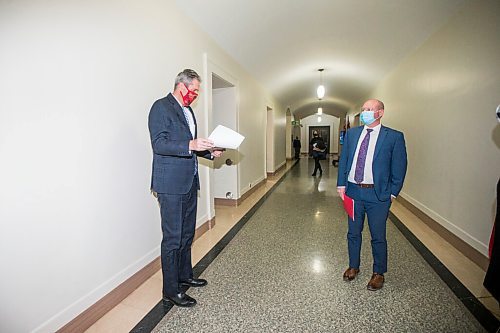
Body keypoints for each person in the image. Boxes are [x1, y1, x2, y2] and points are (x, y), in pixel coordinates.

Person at [148, 69, 223, 307]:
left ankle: (185, 275)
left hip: (189, 181)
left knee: (186, 234)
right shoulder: (161, 107)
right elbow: (159, 143)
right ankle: (170, 290)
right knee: (172, 238)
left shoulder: (188, 111)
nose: (196, 95)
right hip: (170, 184)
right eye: (195, 90)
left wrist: (208, 152)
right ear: (182, 86)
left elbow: (190, 147)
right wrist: (191, 143)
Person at [337, 99, 407, 291]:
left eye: (370, 109)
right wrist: (341, 184)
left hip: (378, 195)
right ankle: (354, 266)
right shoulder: (352, 134)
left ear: (380, 113)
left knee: (378, 235)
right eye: (363, 109)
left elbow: (399, 167)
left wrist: (392, 193)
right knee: (353, 232)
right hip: (353, 191)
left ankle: (378, 272)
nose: (365, 112)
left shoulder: (393, 137)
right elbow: (344, 160)